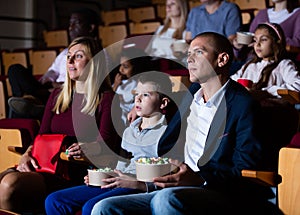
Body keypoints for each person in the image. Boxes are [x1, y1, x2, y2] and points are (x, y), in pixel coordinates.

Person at [91, 32, 279, 215]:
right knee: (104, 207)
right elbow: (166, 142)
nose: (189, 59)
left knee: (164, 199)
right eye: (188, 54)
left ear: (221, 60)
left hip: (217, 190)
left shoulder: (243, 105)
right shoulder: (191, 96)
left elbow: (243, 168)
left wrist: (199, 178)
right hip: (175, 184)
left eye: (198, 52)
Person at [0, 37, 120, 213]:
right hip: (43, 163)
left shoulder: (107, 98)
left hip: (73, 170)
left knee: (9, 185)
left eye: (78, 56)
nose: (70, 61)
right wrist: (26, 155)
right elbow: (41, 136)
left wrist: (87, 148)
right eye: (69, 56)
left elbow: (108, 143)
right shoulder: (57, 95)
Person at [44, 71, 172, 215]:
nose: (138, 99)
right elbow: (121, 163)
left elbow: (169, 175)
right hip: (119, 179)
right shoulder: (130, 130)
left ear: (163, 103)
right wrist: (103, 175)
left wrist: (138, 182)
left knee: (91, 207)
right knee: (54, 200)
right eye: (137, 94)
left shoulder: (168, 132)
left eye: (146, 95)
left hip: (138, 184)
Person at [7, 8, 101, 119]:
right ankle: (29, 99)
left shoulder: (98, 53)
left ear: (91, 27)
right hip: (46, 91)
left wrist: (54, 86)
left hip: (66, 94)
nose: (70, 28)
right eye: (70, 23)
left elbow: (86, 84)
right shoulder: (65, 52)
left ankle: (28, 102)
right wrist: (46, 81)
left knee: (20, 105)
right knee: (15, 69)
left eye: (76, 23)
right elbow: (52, 72)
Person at [231, 23, 300, 101]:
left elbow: (297, 86)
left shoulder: (283, 65)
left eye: (263, 39)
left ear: (277, 42)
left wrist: (266, 92)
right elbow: (231, 82)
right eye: (255, 40)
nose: (257, 44)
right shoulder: (250, 65)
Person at [112, 47, 152, 127]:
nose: (120, 70)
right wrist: (116, 85)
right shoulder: (122, 82)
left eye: (125, 67)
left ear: (137, 67)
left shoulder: (144, 85)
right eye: (120, 65)